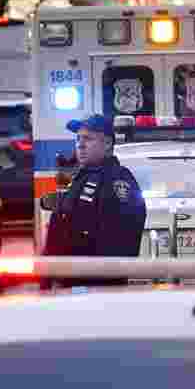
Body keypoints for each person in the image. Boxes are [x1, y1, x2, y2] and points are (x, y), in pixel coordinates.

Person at [41, 115, 147, 275]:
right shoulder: (84, 176)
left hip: (95, 281)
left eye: (88, 139)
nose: (80, 145)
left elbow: (121, 238)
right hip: (69, 276)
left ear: (107, 144)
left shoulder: (117, 179)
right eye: (78, 139)